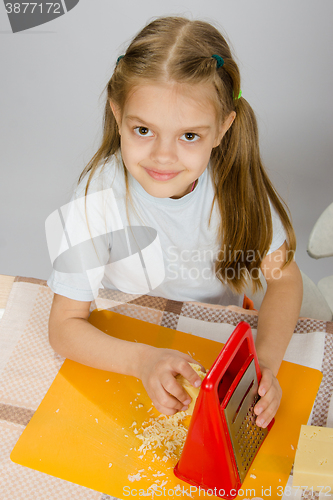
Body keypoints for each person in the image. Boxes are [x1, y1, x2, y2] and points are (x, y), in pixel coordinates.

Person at [47, 16, 303, 427]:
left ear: (222, 128)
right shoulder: (97, 198)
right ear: (118, 113)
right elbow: (64, 327)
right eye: (144, 129)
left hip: (215, 341)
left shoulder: (234, 185)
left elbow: (285, 279)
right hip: (126, 348)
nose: (163, 157)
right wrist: (142, 360)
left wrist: (264, 365)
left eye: (189, 136)